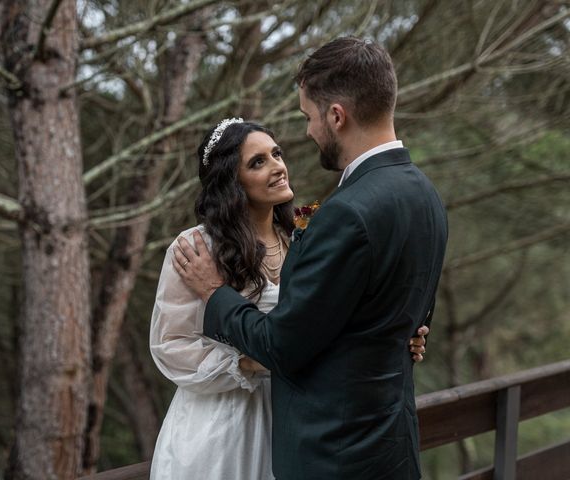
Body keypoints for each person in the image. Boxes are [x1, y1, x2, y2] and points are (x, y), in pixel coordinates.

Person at [174, 37, 448, 479]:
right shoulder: (424, 194)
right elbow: (401, 314)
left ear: (337, 116)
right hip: (392, 448)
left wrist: (214, 292)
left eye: (309, 117)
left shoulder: (348, 212)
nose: (308, 131)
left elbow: (283, 346)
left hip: (335, 456)